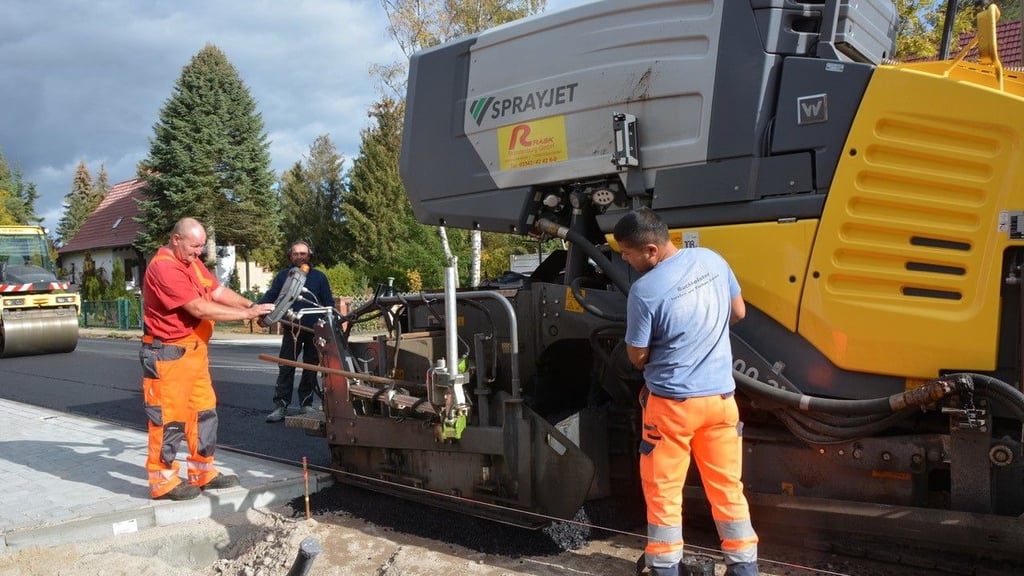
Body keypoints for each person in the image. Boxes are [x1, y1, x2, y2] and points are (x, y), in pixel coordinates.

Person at [613, 208, 759, 576]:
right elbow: (738, 312)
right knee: (728, 489)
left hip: (672, 410)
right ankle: (745, 568)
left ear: (650, 249)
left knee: (663, 493)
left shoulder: (644, 292)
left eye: (627, 253)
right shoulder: (711, 259)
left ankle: (664, 568)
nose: (625, 261)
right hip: (722, 403)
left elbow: (637, 356)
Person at [140, 217, 276, 501]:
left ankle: (202, 472)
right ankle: (163, 481)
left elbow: (216, 291)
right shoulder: (164, 267)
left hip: (194, 351)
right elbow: (199, 307)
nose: (198, 252)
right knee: (169, 419)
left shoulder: (190, 263)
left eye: (201, 246)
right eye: (194, 246)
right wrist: (246, 316)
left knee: (203, 413)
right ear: (176, 239)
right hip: (168, 354)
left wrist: (251, 305)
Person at [260, 240, 334, 423]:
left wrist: (330, 323)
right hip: (291, 328)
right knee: (286, 366)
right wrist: (259, 309)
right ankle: (281, 406)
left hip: (313, 330)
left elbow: (328, 303)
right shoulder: (283, 276)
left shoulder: (319, 277)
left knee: (310, 368)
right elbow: (272, 295)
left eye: (303, 253)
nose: (300, 256)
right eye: (296, 253)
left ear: (309, 256)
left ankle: (306, 404)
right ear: (290, 256)